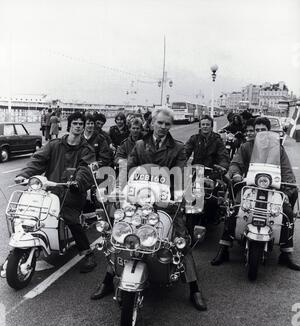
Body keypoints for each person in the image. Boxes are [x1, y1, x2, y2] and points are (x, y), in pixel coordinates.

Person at [91, 108, 207, 311]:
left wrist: (177, 197)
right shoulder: (140, 144)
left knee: (181, 239)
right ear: (152, 123)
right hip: (138, 199)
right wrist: (121, 190)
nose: (163, 127)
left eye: (167, 124)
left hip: (165, 202)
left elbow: (179, 175)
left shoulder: (178, 149)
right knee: (120, 235)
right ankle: (108, 280)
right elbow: (129, 170)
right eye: (160, 123)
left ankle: (194, 289)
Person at [211, 116, 300, 270]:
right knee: (234, 209)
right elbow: (235, 163)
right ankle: (224, 248)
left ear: (269, 131)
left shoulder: (277, 149)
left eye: (262, 130)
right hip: (249, 185)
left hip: (272, 188)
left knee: (286, 212)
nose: (259, 133)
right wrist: (236, 174)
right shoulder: (246, 147)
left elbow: (286, 171)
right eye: (257, 130)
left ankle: (286, 254)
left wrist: (288, 186)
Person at [14, 112, 98, 273]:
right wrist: (23, 175)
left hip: (72, 192)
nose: (79, 126)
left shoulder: (86, 149)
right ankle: (17, 250)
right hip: (51, 190)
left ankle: (88, 254)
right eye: (75, 123)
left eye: (81, 123)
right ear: (70, 125)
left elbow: (85, 169)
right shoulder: (54, 144)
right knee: (29, 211)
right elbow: (38, 160)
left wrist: (77, 183)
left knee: (71, 218)